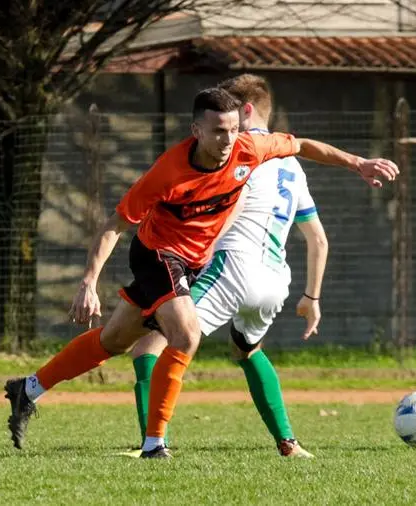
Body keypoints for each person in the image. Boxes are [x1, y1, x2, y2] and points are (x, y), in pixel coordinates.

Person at [4, 86, 398, 459]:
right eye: (217, 132)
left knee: (114, 341)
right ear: (196, 130)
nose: (227, 140)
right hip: (157, 254)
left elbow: (304, 145)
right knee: (186, 335)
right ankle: (155, 444)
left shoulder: (249, 148)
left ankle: (28, 388)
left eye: (232, 129)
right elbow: (114, 225)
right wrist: (89, 282)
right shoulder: (168, 171)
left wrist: (357, 163)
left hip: (193, 261)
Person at [128, 73, 328, 458]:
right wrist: (312, 297)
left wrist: (190, 261)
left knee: (148, 347)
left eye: (233, 118)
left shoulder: (243, 157)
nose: (227, 132)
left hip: (232, 266)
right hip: (276, 281)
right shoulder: (291, 166)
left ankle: (151, 443)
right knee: (246, 349)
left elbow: (227, 214)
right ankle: (288, 442)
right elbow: (318, 238)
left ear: (246, 111)